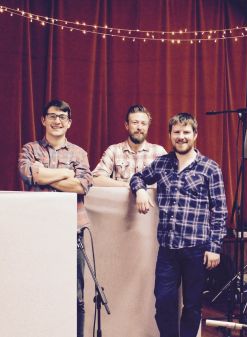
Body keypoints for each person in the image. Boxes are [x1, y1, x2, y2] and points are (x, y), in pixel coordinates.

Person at [130, 112, 227, 337]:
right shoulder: (162, 163)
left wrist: (215, 247)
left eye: (186, 132)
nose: (181, 137)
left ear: (195, 135)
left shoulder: (209, 168)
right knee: (163, 302)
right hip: (168, 249)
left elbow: (220, 210)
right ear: (170, 135)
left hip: (197, 249)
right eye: (176, 132)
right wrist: (141, 190)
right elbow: (137, 177)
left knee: (192, 306)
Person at [18, 99, 93, 337]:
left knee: (75, 293)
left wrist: (45, 175)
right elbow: (28, 174)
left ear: (69, 123)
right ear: (43, 120)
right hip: (37, 229)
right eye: (52, 116)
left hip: (72, 231)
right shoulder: (30, 149)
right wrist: (65, 173)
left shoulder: (79, 153)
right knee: (38, 288)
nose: (57, 121)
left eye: (62, 117)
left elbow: (82, 186)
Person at [92, 104, 166, 187]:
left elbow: (171, 182)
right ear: (127, 125)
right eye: (135, 123)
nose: (139, 127)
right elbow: (95, 180)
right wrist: (132, 186)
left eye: (143, 123)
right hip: (120, 200)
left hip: (149, 200)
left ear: (148, 126)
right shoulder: (114, 151)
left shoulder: (159, 152)